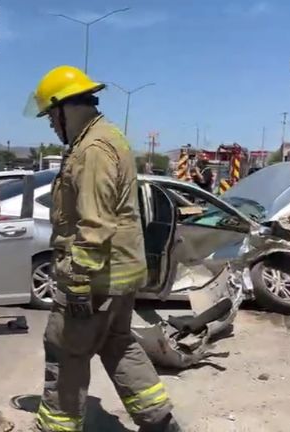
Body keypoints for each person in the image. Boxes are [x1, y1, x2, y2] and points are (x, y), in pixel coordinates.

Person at [26, 65, 181, 432]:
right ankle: (158, 420)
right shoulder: (109, 137)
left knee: (65, 352)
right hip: (119, 276)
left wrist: (77, 282)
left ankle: (58, 426)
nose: (50, 124)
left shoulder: (92, 149)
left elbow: (95, 225)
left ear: (66, 109)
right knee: (118, 344)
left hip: (94, 278)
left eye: (51, 115)